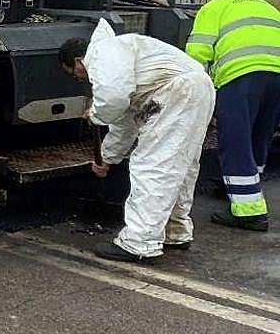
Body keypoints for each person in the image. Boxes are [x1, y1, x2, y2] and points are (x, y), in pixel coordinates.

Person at [59, 20, 215, 263]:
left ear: (79, 61)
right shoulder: (123, 56)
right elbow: (125, 122)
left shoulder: (101, 53)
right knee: (181, 166)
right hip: (196, 87)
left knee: (153, 167)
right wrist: (108, 159)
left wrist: (95, 114)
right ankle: (176, 232)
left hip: (174, 91)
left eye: (75, 74)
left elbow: (113, 101)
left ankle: (139, 242)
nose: (80, 79)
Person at [185, 0, 280, 232]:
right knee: (260, 135)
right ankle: (244, 190)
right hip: (277, 76)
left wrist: (198, 98)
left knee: (235, 140)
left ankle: (250, 213)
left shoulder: (214, 7)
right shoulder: (266, 5)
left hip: (242, 76)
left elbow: (197, 54)